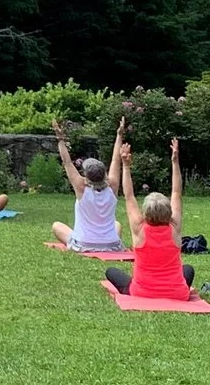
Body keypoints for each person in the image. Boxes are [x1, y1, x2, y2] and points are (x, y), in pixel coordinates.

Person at [105, 136, 196, 299]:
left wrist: (126, 166)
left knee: (110, 271)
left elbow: (129, 196)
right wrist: (175, 162)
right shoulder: (174, 227)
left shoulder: (139, 228)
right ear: (168, 211)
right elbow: (176, 192)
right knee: (188, 269)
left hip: (142, 292)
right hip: (177, 294)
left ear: (145, 213)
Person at [48, 117, 127, 252]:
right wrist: (119, 135)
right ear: (104, 174)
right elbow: (116, 159)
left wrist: (60, 139)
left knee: (56, 226)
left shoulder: (81, 188)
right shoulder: (112, 186)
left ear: (86, 176)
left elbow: (66, 161)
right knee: (117, 224)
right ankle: (106, 243)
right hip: (112, 245)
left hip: (84, 245)